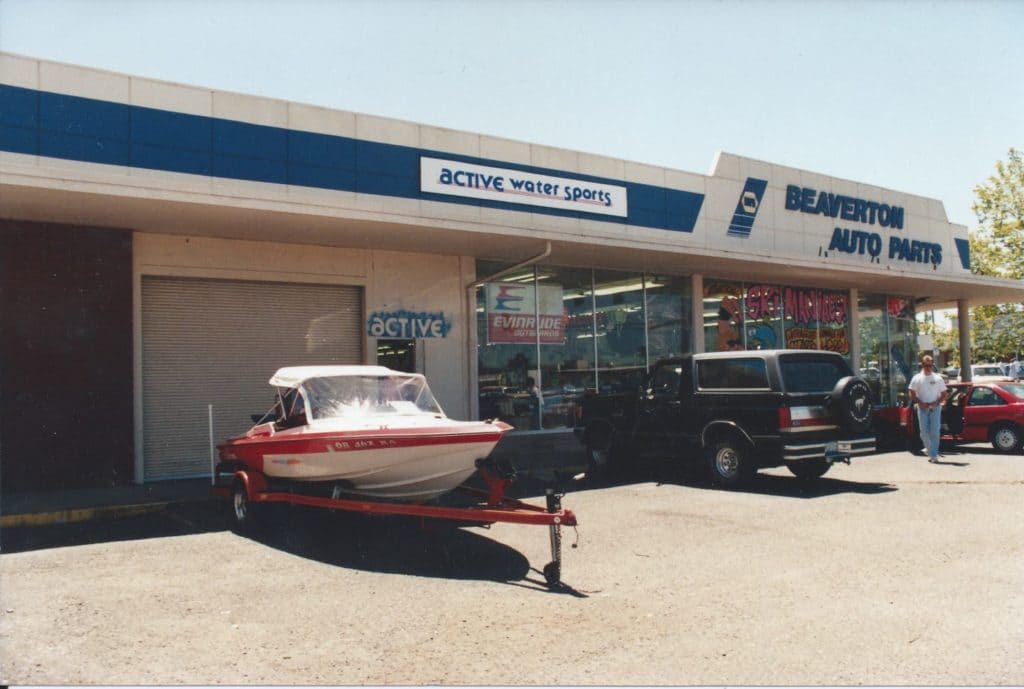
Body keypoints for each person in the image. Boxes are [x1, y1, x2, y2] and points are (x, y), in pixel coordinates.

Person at [908, 355, 948, 463]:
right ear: (922, 365)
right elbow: (911, 393)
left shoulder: (938, 378)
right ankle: (930, 450)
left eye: (930, 365)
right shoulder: (917, 378)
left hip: (935, 407)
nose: (928, 367)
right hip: (922, 408)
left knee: (935, 432)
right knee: (923, 433)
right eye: (926, 365)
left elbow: (944, 394)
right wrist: (920, 402)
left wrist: (936, 402)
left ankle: (933, 455)